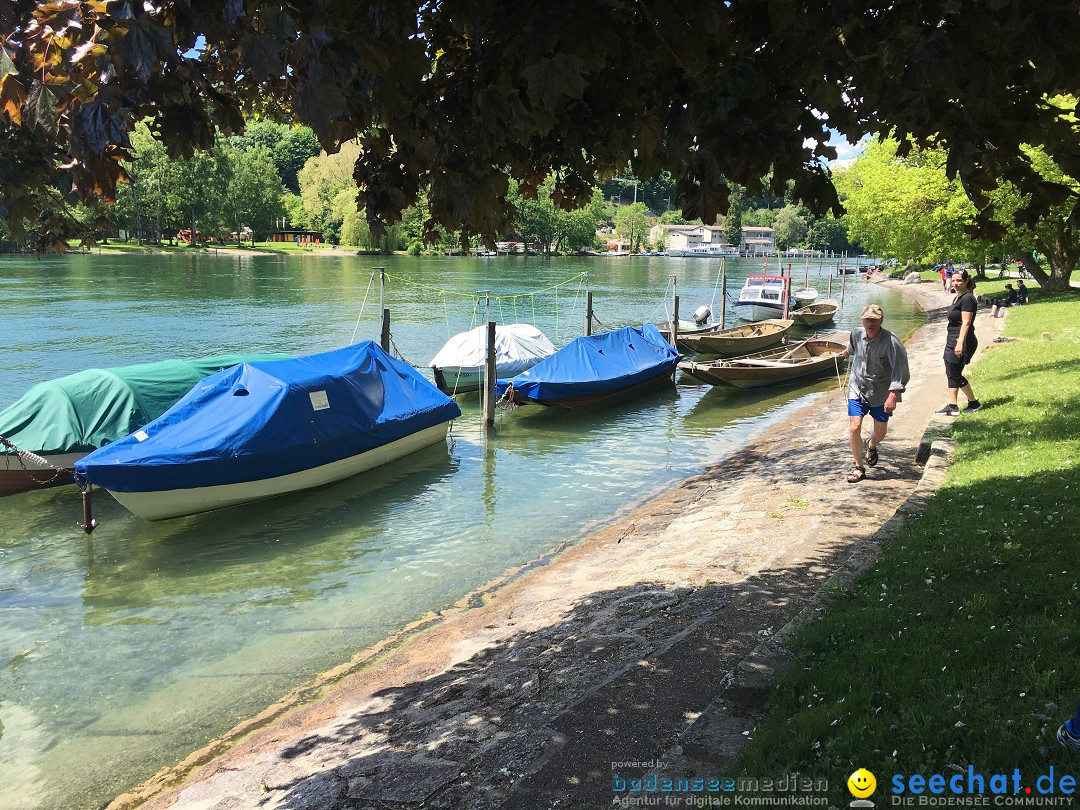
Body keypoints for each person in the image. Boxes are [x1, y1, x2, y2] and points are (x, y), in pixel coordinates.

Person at [841, 304, 910, 483]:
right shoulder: (856, 333)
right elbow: (851, 348)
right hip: (857, 388)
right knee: (854, 427)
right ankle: (859, 467)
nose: (870, 323)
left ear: (881, 320)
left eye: (874, 319)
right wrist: (845, 353)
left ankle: (871, 445)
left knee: (880, 433)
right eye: (867, 319)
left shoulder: (891, 341)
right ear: (862, 320)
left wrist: (893, 394)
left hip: (881, 392)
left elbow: (901, 370)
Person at [935, 268, 981, 415]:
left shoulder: (968, 298)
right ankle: (952, 406)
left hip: (962, 340)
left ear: (966, 281)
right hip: (952, 339)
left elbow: (966, 323)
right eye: (953, 280)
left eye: (959, 280)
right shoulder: (958, 297)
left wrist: (960, 343)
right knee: (950, 371)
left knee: (955, 373)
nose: (955, 283)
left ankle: (974, 403)